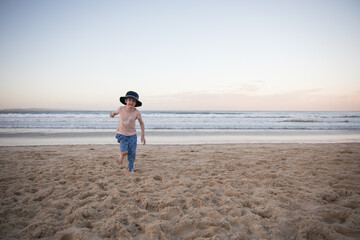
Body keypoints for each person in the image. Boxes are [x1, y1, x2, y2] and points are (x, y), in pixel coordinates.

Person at [110, 91, 146, 172]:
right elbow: (115, 113)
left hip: (132, 135)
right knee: (125, 152)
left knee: (132, 153)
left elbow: (142, 124)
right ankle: (122, 155)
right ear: (126, 101)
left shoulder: (137, 113)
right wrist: (112, 115)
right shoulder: (121, 109)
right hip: (121, 133)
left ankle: (130, 168)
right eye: (129, 100)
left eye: (133, 101)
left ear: (135, 102)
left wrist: (142, 135)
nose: (131, 102)